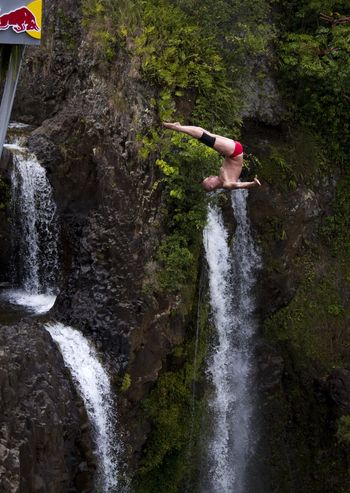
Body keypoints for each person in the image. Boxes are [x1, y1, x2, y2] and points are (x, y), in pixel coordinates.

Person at [163, 122, 261, 192]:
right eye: (208, 179)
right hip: (234, 152)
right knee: (205, 138)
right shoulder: (226, 184)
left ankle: (180, 126)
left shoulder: (221, 179)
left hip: (233, 150)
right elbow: (238, 185)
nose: (210, 176)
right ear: (211, 185)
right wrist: (252, 184)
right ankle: (176, 128)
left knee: (206, 134)